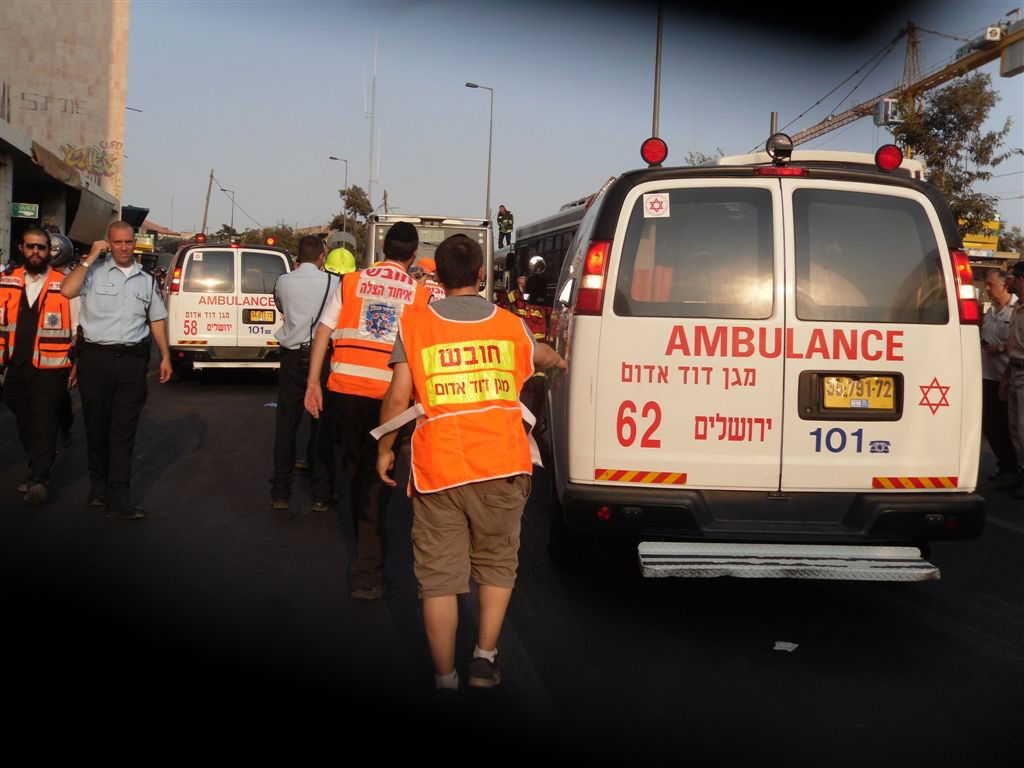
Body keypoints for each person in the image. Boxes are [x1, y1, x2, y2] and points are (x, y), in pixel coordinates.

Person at [375, 233, 566, 693]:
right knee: (498, 565)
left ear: (437, 277)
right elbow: (543, 357)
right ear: (482, 275)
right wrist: (562, 363)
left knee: (439, 580)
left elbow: (398, 396)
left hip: (440, 468)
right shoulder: (511, 326)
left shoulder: (416, 325)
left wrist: (384, 449)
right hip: (503, 463)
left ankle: (445, 678)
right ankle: (484, 656)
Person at [304, 222, 429, 600]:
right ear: (412, 254)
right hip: (393, 396)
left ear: (384, 248)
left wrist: (313, 382)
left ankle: (365, 553)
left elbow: (323, 332)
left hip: (349, 391)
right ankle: (367, 570)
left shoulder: (352, 281)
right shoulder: (419, 293)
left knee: (358, 469)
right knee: (380, 475)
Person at [60, 221, 172, 520]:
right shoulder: (92, 273)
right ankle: (98, 486)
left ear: (134, 243)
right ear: (108, 243)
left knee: (123, 431)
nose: (124, 248)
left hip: (132, 362)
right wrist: (89, 258)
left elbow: (157, 319)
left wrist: (165, 356)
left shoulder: (146, 280)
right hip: (95, 359)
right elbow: (66, 290)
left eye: (128, 242)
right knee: (96, 426)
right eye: (118, 242)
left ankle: (119, 496)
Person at [0, 228, 77, 504]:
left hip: (51, 368)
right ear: (22, 248)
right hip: (15, 367)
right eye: (31, 247)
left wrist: (74, 364)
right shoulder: (5, 282)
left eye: (41, 248)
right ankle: (37, 461)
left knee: (43, 422)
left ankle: (39, 478)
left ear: (49, 251)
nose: (36, 252)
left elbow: (78, 328)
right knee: (24, 421)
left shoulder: (65, 284)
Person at [270, 235, 339, 511]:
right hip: (322, 359)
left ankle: (280, 492)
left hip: (291, 357)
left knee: (286, 426)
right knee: (322, 426)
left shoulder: (283, 281)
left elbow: (281, 307)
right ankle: (321, 493)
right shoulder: (334, 282)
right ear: (322, 256)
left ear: (298, 256)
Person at [981, 269, 1018, 484]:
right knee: (991, 424)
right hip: (988, 375)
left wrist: (1001, 348)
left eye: (990, 284)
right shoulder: (990, 311)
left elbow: (1016, 344)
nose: (986, 288)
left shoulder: (1016, 310)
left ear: (1004, 285)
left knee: (1010, 425)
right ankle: (1003, 463)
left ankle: (1014, 467)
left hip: (1009, 376)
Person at [1000, 261, 1024, 498]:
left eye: (1010, 277)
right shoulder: (1017, 309)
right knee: (1015, 428)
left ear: (1021, 279)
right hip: (1015, 371)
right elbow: (1014, 346)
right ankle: (1020, 472)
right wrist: (1006, 377)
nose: (1007, 282)